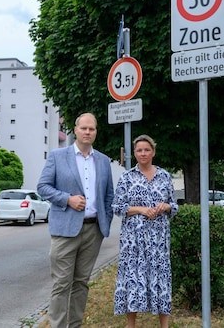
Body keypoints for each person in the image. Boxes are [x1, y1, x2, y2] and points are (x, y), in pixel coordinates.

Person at [37, 112, 115, 328]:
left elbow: (108, 195)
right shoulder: (57, 156)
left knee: (81, 283)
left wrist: (103, 223)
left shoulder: (103, 160)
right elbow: (42, 187)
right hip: (65, 230)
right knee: (62, 284)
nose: (88, 132)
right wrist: (67, 199)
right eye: (84, 128)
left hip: (93, 231)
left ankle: (75, 324)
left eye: (92, 129)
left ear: (96, 132)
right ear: (75, 129)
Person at [112, 134, 179, 328]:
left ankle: (164, 325)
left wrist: (165, 207)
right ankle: (131, 324)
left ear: (153, 152)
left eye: (146, 150)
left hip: (159, 239)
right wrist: (141, 209)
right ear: (134, 153)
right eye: (139, 150)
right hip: (133, 240)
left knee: (161, 278)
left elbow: (174, 206)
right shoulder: (127, 177)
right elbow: (117, 206)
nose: (143, 153)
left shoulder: (165, 176)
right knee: (133, 278)